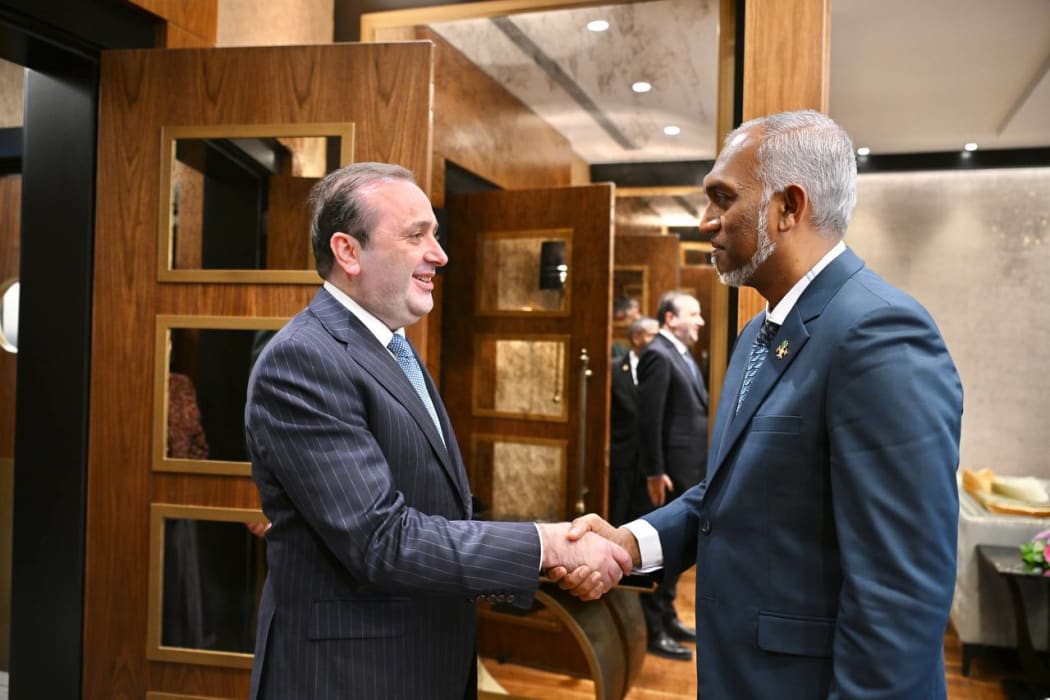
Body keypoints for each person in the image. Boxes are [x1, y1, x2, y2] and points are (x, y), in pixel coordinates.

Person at [562, 110, 964, 699]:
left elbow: (901, 590)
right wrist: (631, 543)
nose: (705, 221)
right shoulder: (758, 331)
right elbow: (732, 492)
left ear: (789, 207)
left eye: (723, 198)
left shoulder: (879, 333)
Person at [245, 162, 631, 699]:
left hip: (421, 662)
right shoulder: (303, 360)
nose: (440, 255)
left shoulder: (391, 345)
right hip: (351, 677)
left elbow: (437, 510)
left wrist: (544, 557)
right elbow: (381, 539)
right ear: (348, 251)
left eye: (436, 234)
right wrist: (546, 547)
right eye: (416, 236)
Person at [635, 290, 708, 660]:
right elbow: (649, 420)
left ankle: (669, 616)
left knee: (676, 550)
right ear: (670, 319)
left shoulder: (680, 353)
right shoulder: (658, 354)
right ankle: (654, 629)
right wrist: (654, 471)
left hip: (687, 471)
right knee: (660, 551)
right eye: (693, 314)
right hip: (667, 476)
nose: (700, 321)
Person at [608, 316, 660, 527]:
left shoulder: (662, 366)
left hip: (652, 459)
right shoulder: (613, 369)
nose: (659, 342)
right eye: (654, 336)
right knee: (617, 514)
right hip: (622, 454)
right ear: (637, 338)